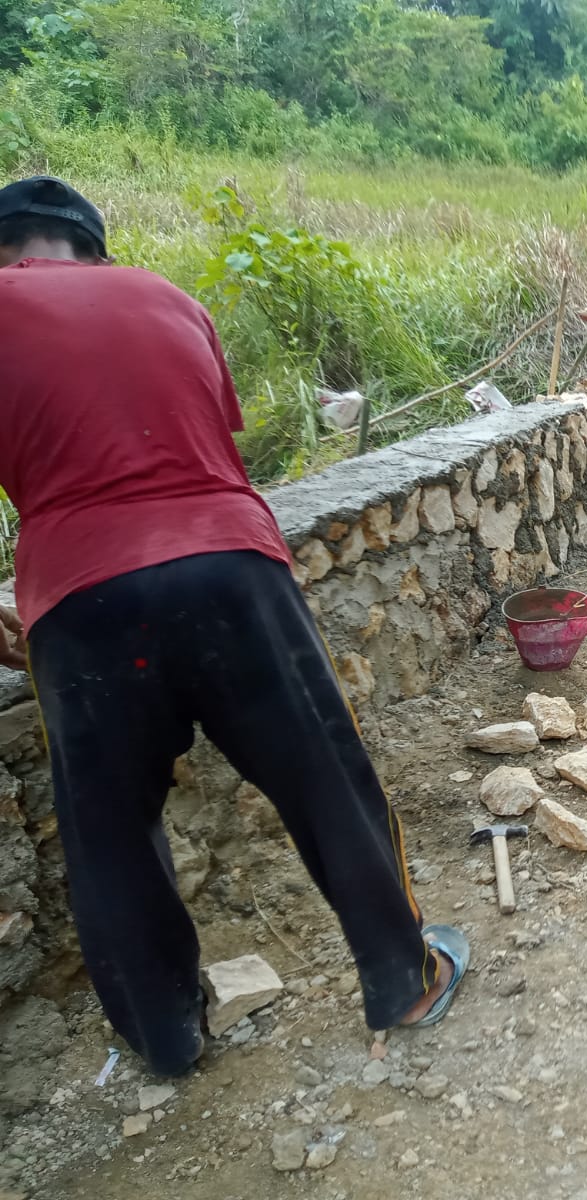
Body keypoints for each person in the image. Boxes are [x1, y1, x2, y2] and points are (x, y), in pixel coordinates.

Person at [0, 176, 468, 1078]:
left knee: (109, 836)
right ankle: (402, 980)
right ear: (93, 251)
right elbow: (208, 441)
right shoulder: (169, 298)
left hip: (81, 599)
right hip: (231, 567)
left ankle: (163, 1037)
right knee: (329, 781)